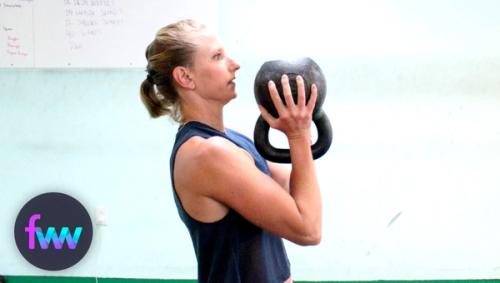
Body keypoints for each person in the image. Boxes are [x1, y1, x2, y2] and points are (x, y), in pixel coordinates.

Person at [140, 19, 322, 283]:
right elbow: (308, 228)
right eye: (217, 56)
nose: (234, 64)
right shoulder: (207, 153)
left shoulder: (232, 142)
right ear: (185, 77)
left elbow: (296, 193)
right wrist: (298, 135)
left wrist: (299, 127)